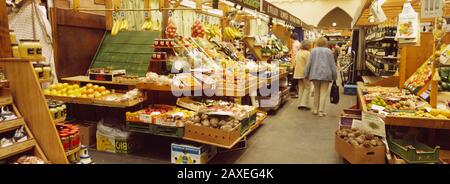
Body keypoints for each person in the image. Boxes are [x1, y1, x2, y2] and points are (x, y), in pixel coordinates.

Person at [304, 37, 337, 117]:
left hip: (315, 74)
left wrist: (306, 74)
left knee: (316, 92)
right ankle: (321, 111)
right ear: (326, 43)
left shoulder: (313, 51)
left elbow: (309, 63)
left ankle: (315, 109)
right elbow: (332, 65)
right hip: (326, 74)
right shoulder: (329, 52)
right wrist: (334, 76)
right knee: (323, 93)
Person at [291, 40, 312, 110]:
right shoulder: (308, 53)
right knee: (307, 88)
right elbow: (309, 64)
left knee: (301, 88)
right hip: (305, 73)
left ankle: (300, 103)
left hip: (298, 72)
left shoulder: (298, 52)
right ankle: (304, 104)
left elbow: (294, 63)